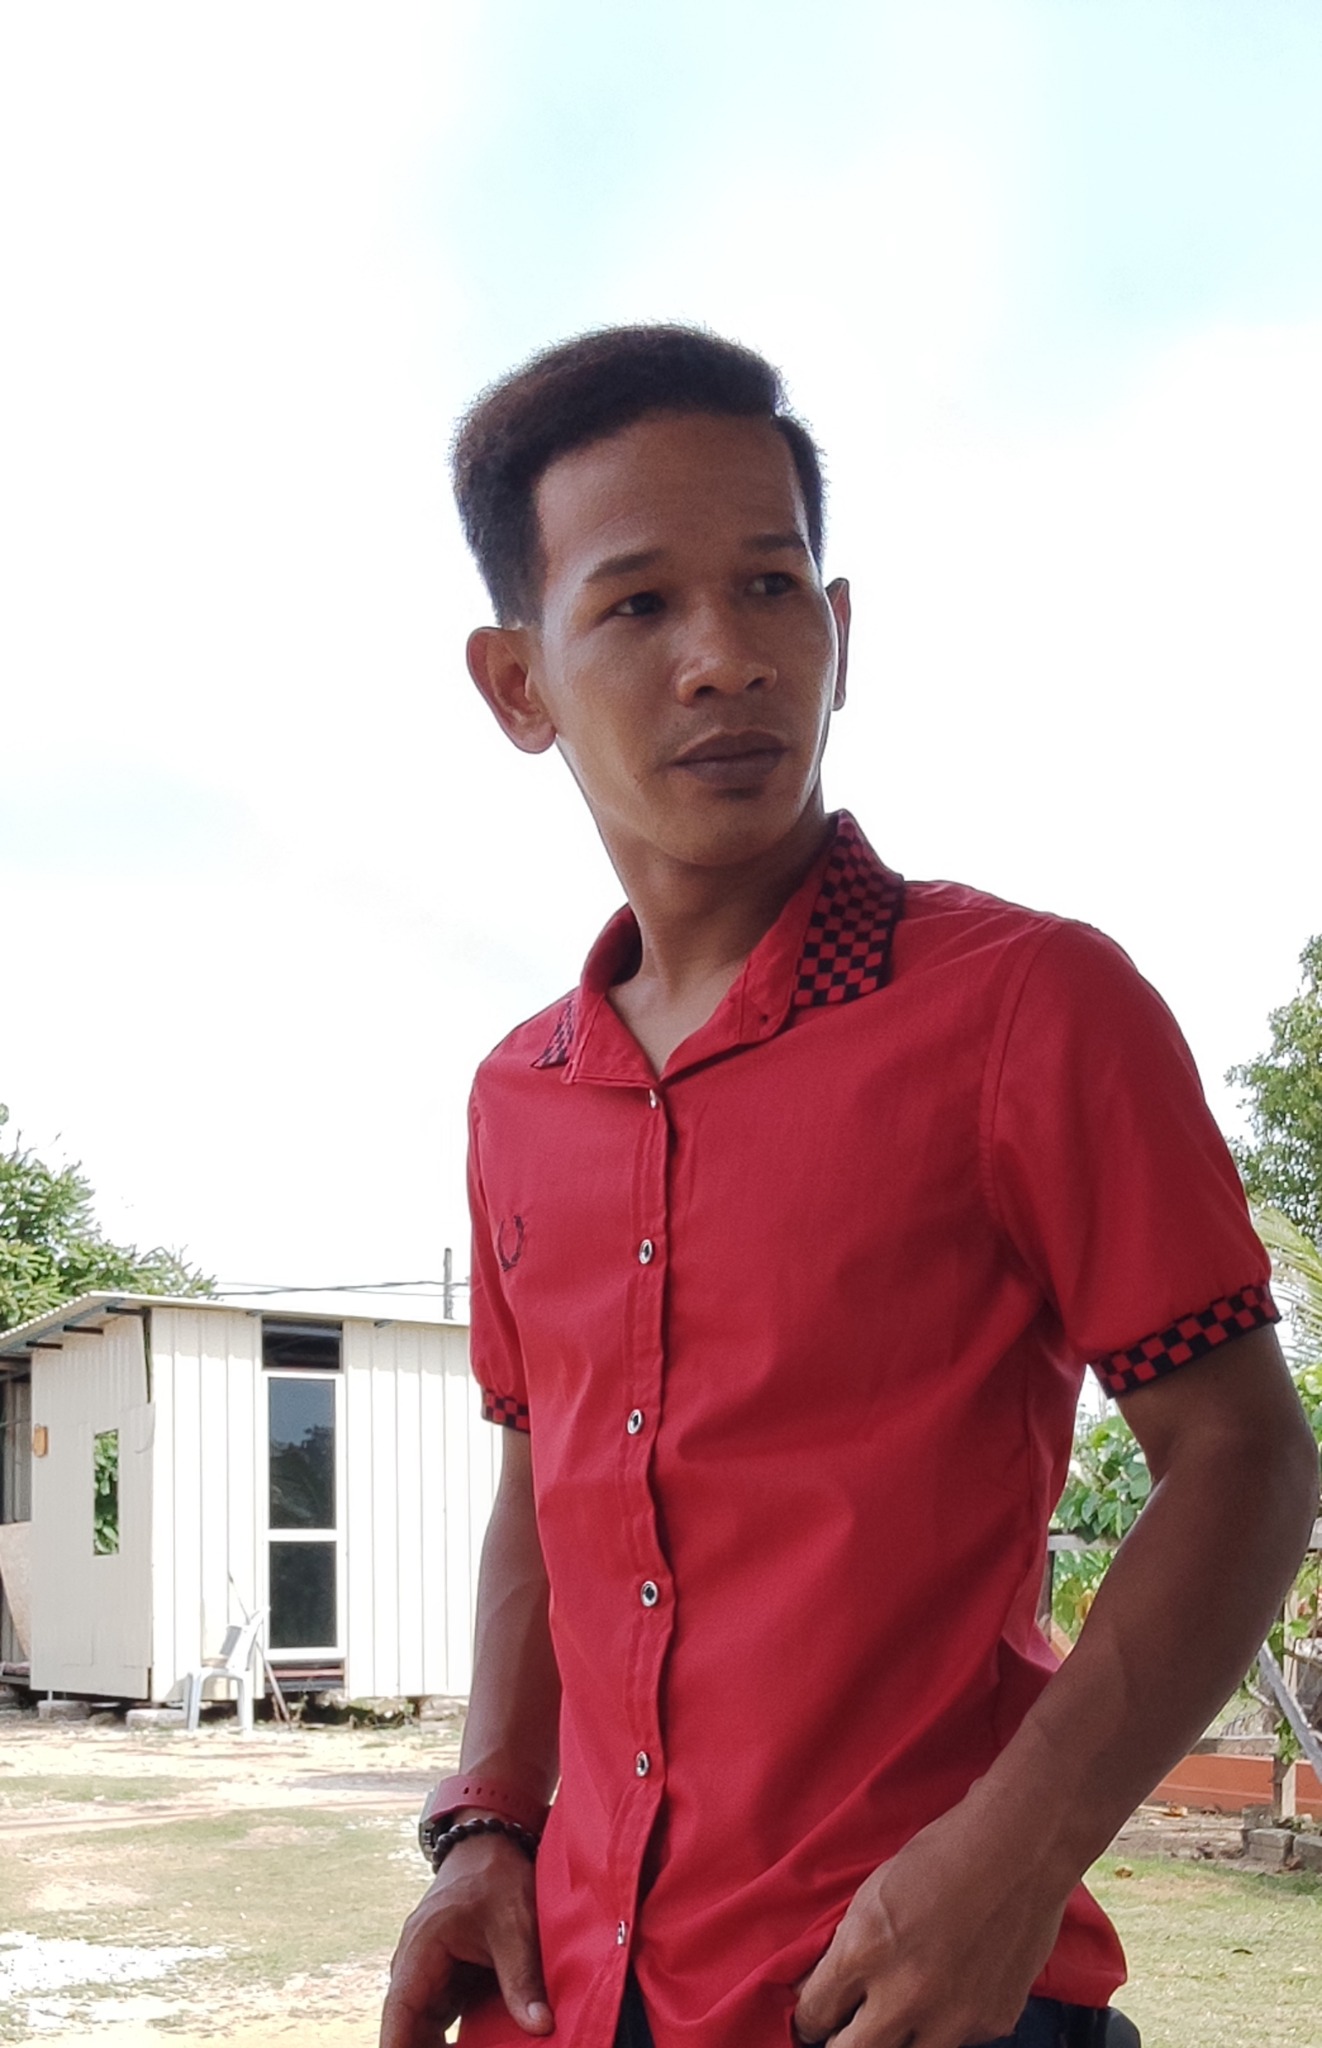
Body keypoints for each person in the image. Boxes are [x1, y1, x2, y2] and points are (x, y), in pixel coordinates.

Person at [380, 327, 1318, 2048]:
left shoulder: (1028, 1008)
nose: (726, 658)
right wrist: (489, 1816)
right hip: (571, 1992)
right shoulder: (521, 1093)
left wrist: (1014, 1854)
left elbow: (1242, 1455)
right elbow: (539, 1470)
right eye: (638, 604)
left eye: (770, 586)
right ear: (517, 685)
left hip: (911, 1989)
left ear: (839, 630)